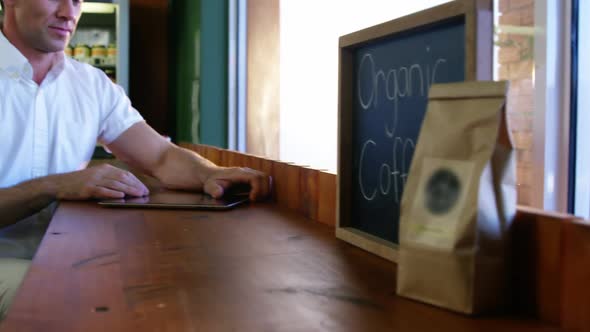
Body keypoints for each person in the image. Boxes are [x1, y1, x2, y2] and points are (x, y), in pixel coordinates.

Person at [0, 0, 271, 319]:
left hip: (63, 254)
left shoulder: (91, 84)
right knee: (73, 301)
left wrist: (211, 174)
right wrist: (55, 186)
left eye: (77, 0)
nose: (68, 12)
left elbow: (160, 156)